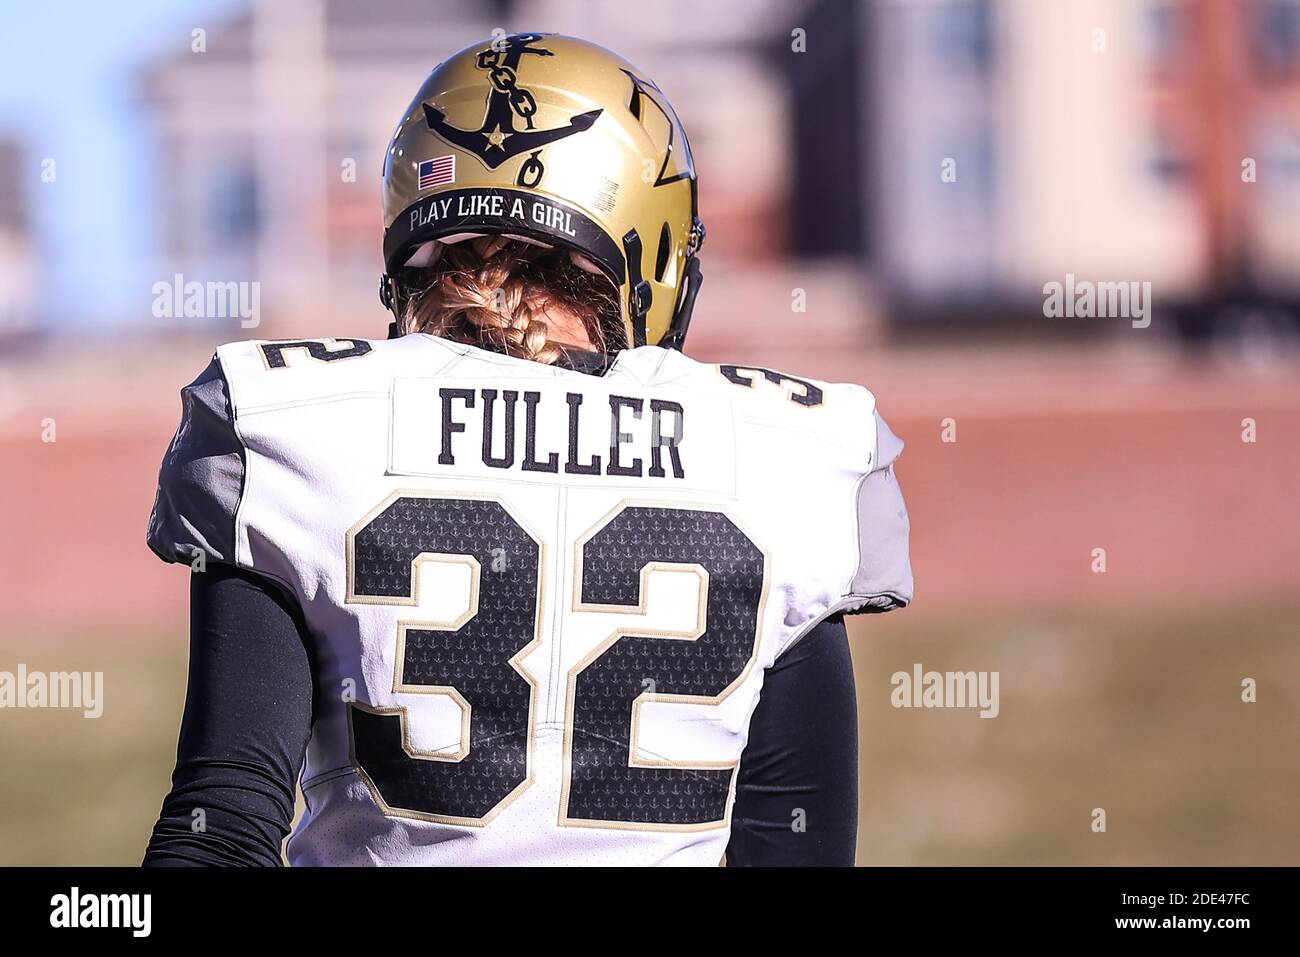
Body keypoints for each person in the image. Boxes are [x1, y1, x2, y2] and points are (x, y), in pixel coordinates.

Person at [142, 33, 912, 867]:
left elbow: (220, 826)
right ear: (652, 249)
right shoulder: (786, 458)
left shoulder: (295, 426)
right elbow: (796, 850)